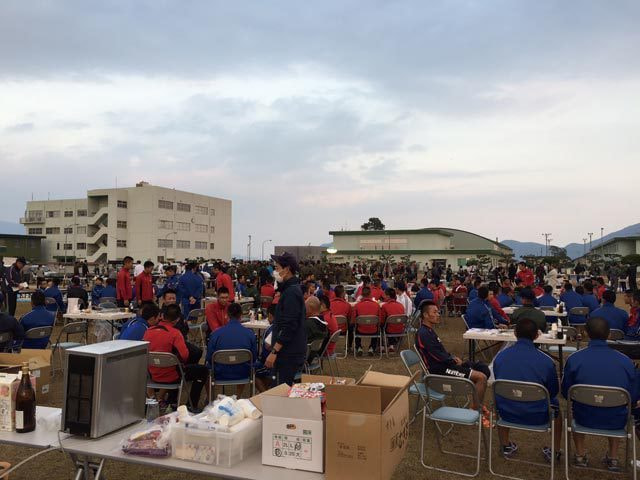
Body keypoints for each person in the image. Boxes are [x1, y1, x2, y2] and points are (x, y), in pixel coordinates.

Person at [561, 317, 637, 471]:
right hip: (616, 419)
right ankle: (613, 457)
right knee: (620, 407)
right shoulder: (626, 361)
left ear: (586, 333)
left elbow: (565, 392)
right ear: (609, 334)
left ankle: (580, 455)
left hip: (583, 416)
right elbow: (633, 396)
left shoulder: (574, 359)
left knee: (574, 407)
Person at [493, 318, 562, 462]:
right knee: (556, 408)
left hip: (506, 411)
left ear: (515, 333)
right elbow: (553, 391)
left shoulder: (500, 357)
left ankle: (505, 445)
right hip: (538, 414)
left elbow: (499, 382)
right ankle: (555, 450)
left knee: (500, 399)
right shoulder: (546, 361)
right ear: (537, 335)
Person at [415, 301, 491, 426]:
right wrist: (452, 360)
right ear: (425, 315)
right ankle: (475, 411)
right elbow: (436, 355)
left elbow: (441, 352)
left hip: (447, 365)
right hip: (439, 371)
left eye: (438, 312)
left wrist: (453, 358)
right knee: (481, 377)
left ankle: (478, 404)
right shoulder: (423, 333)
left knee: (483, 368)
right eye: (435, 312)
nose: (438, 314)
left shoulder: (429, 331)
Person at [144, 304, 208, 411]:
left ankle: (172, 400)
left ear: (162, 316)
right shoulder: (175, 333)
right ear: (177, 319)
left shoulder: (148, 332)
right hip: (171, 376)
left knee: (177, 367)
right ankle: (191, 405)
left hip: (153, 375)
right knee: (202, 371)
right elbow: (185, 355)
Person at [265, 252, 307, 386]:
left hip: (287, 353)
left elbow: (289, 325)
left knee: (281, 388)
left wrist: (274, 351)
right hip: (289, 350)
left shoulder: (291, 293)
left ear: (287, 269)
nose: (275, 272)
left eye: (277, 268)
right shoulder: (290, 289)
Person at [206, 302, 257, 397]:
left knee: (206, 368)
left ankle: (210, 398)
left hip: (220, 373)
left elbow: (209, 358)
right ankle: (238, 396)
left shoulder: (216, 334)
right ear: (241, 316)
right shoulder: (250, 334)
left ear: (227, 316)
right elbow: (254, 357)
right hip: (244, 372)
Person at [351, 286, 382, 356]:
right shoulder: (377, 305)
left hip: (360, 330)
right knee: (378, 326)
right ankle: (372, 348)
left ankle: (358, 347)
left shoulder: (357, 305)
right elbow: (379, 320)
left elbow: (353, 320)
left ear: (361, 294)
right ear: (370, 294)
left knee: (354, 326)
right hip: (373, 330)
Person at [380, 288, 406, 352]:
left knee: (381, 325)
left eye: (385, 295)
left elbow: (382, 320)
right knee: (391, 323)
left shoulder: (385, 306)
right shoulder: (401, 306)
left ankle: (382, 346)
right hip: (400, 329)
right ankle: (391, 345)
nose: (384, 296)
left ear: (388, 296)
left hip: (390, 329)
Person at [304, 296, 328, 362]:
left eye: (305, 307)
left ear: (310, 308)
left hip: (303, 357)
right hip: (314, 356)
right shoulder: (323, 324)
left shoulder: (308, 325)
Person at [330, 284, 353, 350]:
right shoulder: (347, 305)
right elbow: (349, 319)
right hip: (343, 330)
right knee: (351, 326)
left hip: (330, 329)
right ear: (343, 293)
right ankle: (349, 346)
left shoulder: (329, 303)